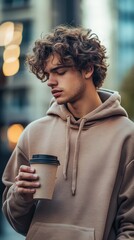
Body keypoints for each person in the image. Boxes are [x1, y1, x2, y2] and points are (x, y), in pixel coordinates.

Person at [2, 25, 134, 240]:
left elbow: (131, 226)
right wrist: (21, 196)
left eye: (60, 72)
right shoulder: (33, 133)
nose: (51, 81)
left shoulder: (127, 136)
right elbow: (16, 222)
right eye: (47, 74)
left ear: (87, 69)